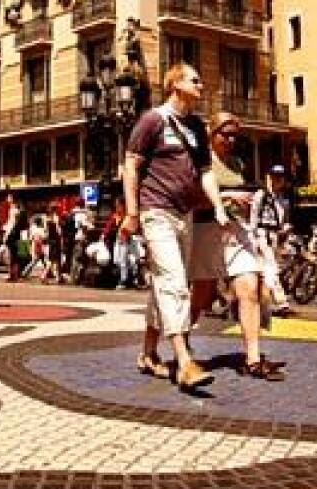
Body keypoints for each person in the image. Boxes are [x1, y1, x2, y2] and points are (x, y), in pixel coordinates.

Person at [121, 62, 225, 392]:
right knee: (174, 282)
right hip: (156, 212)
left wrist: (219, 206)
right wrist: (133, 212)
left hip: (186, 215)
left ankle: (149, 354)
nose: (201, 85)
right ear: (175, 85)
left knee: (163, 287)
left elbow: (205, 171)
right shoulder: (153, 120)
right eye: (195, 80)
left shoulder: (195, 125)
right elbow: (130, 166)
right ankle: (184, 361)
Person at [196, 112, 284, 381]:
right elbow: (192, 200)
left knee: (249, 287)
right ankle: (181, 348)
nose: (231, 140)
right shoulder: (201, 160)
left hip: (236, 231)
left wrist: (247, 202)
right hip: (206, 231)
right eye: (225, 134)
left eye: (235, 135)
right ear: (211, 133)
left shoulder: (237, 163)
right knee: (201, 297)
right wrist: (225, 196)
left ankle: (253, 359)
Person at [251, 164, 294, 317]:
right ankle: (282, 303)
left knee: (263, 270)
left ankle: (237, 299)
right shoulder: (260, 196)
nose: (278, 180)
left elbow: (284, 221)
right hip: (262, 236)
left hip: (275, 237)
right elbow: (253, 218)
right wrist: (253, 238)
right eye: (275, 176)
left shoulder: (283, 200)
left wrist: (285, 231)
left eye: (280, 177)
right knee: (271, 268)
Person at [2, 194, 24, 282]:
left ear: (12, 199)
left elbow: (12, 223)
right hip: (14, 234)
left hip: (12, 234)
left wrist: (7, 234)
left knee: (12, 255)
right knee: (13, 256)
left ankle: (13, 275)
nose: (7, 199)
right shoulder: (15, 209)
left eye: (9, 197)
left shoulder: (14, 210)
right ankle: (14, 275)